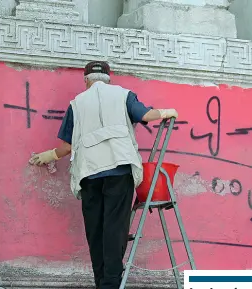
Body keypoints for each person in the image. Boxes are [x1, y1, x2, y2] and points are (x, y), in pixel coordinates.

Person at [28, 61, 178, 289]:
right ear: (109, 78)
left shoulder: (76, 104)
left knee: (95, 230)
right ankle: (111, 283)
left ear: (86, 80)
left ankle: (102, 282)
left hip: (89, 174)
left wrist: (48, 156)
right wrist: (168, 112)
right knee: (114, 228)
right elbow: (146, 116)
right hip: (119, 170)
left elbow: (68, 146)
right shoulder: (123, 95)